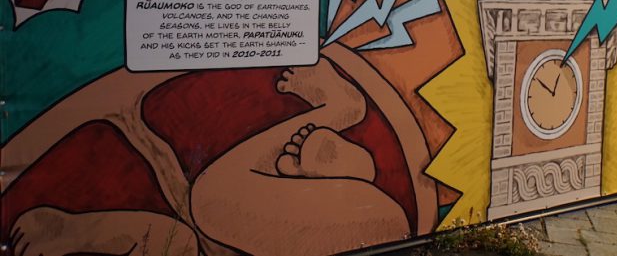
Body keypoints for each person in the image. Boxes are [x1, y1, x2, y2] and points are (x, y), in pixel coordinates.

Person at [4, 44, 436, 256]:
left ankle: (338, 122)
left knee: (202, 214)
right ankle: (339, 125)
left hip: (368, 222)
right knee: (199, 219)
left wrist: (72, 233)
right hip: (371, 222)